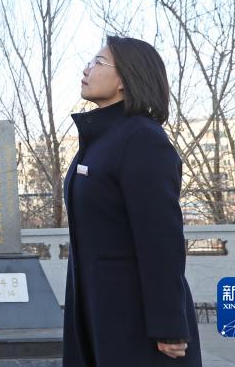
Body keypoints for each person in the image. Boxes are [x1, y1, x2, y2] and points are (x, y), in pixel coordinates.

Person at [63, 35, 202, 366]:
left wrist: (168, 324)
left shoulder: (141, 140)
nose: (86, 69)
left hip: (134, 319)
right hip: (97, 309)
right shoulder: (99, 140)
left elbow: (161, 238)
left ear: (125, 78)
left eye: (98, 62)